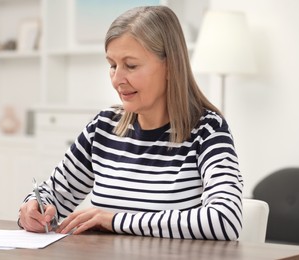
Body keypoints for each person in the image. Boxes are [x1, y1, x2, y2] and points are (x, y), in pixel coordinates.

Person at [18, 5, 243, 240]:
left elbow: (225, 219)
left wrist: (115, 220)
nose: (117, 80)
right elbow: (52, 194)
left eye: (131, 66)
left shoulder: (207, 130)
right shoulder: (103, 128)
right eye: (112, 65)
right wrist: (32, 207)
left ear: (170, 66)